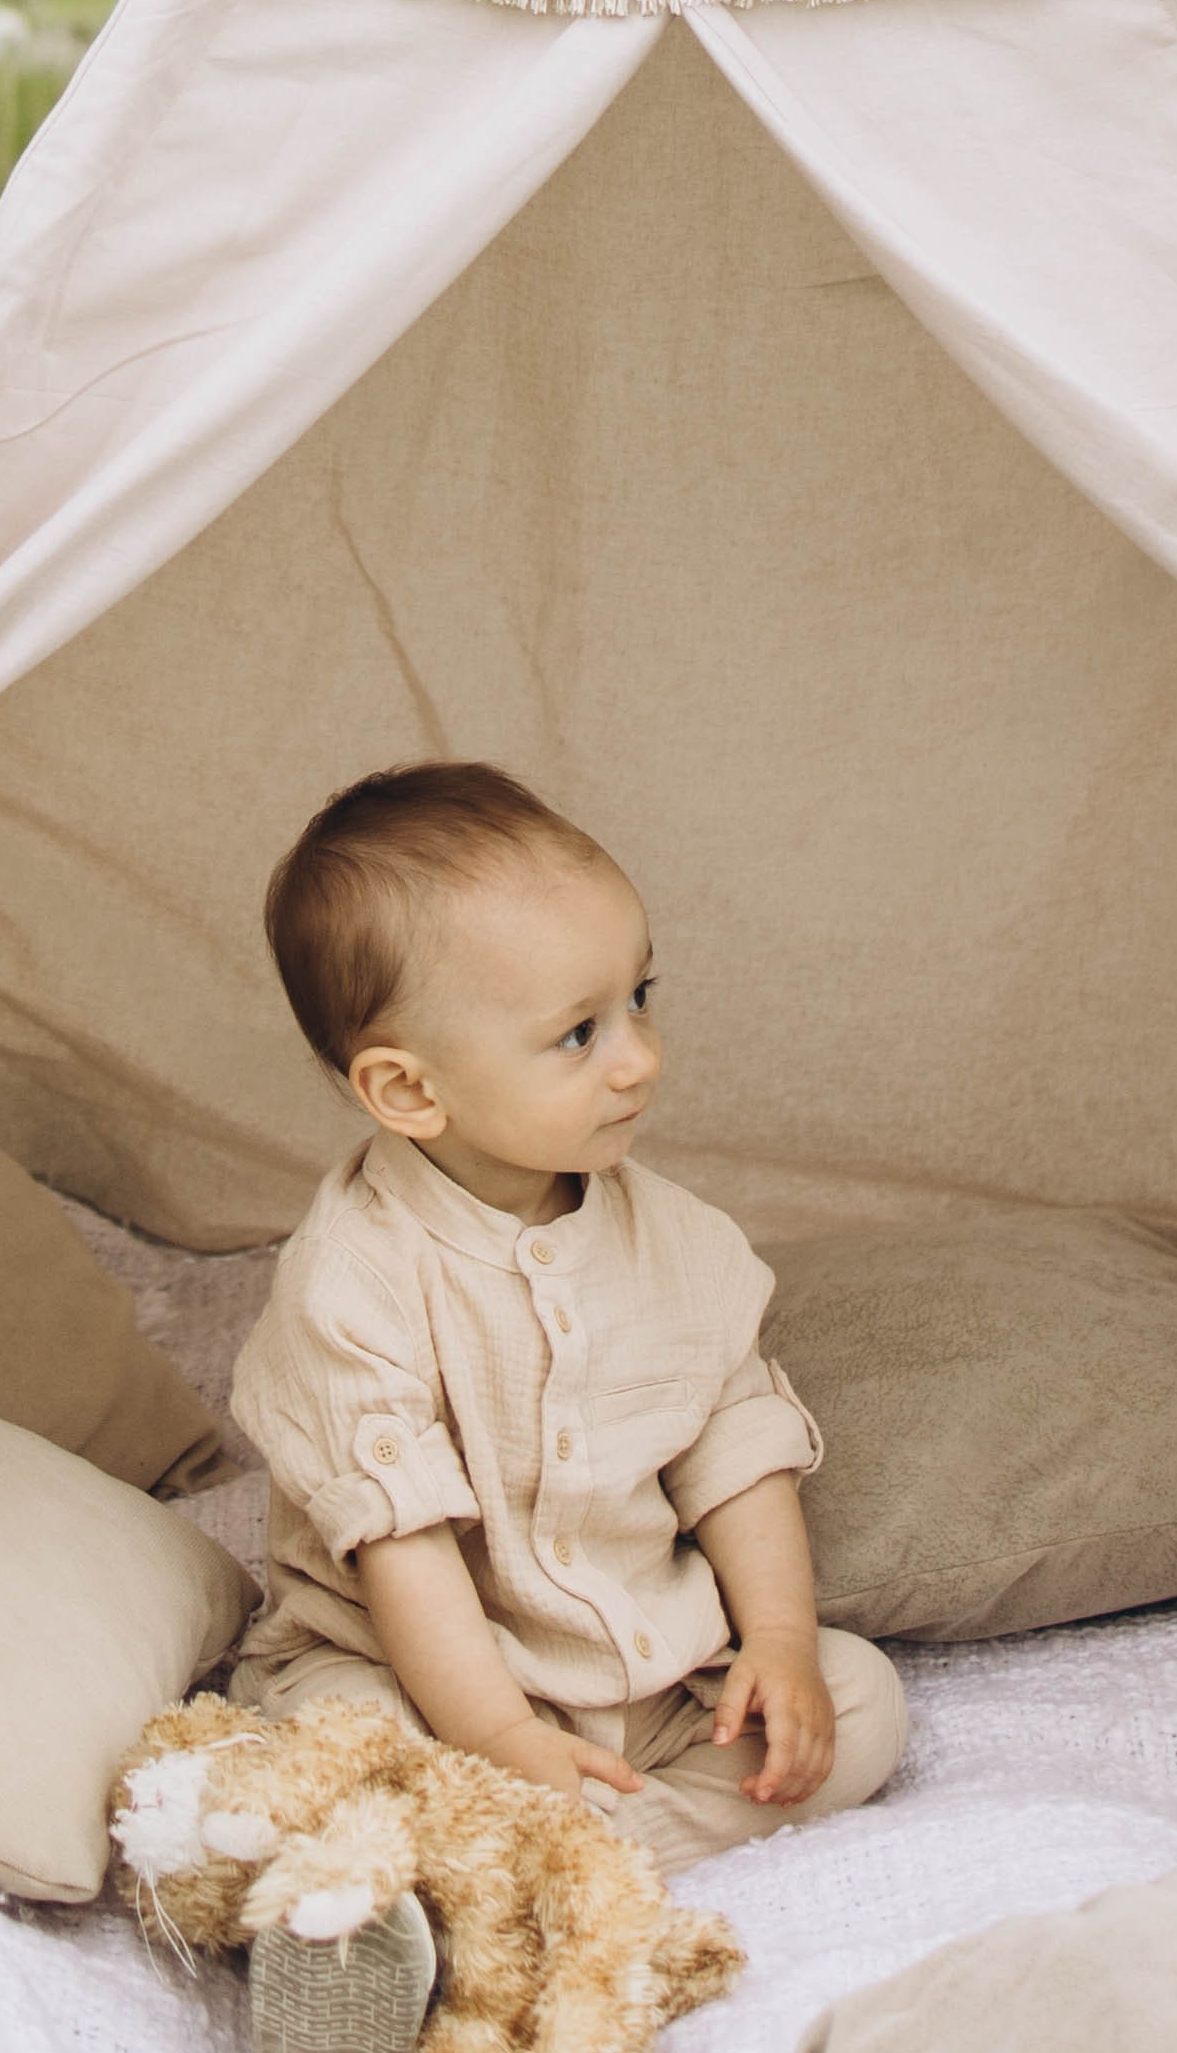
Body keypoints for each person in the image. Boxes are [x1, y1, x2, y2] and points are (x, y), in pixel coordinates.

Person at [229, 759, 905, 1878]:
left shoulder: (670, 1238)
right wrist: (496, 1736)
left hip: (634, 1669)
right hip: (411, 1667)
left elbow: (734, 1450)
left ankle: (565, 1860)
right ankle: (426, 1871)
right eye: (577, 1035)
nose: (638, 1058)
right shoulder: (350, 1282)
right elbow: (406, 1555)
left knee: (857, 1703)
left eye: (638, 997)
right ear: (407, 1092)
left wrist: (778, 1643)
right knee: (341, 1752)